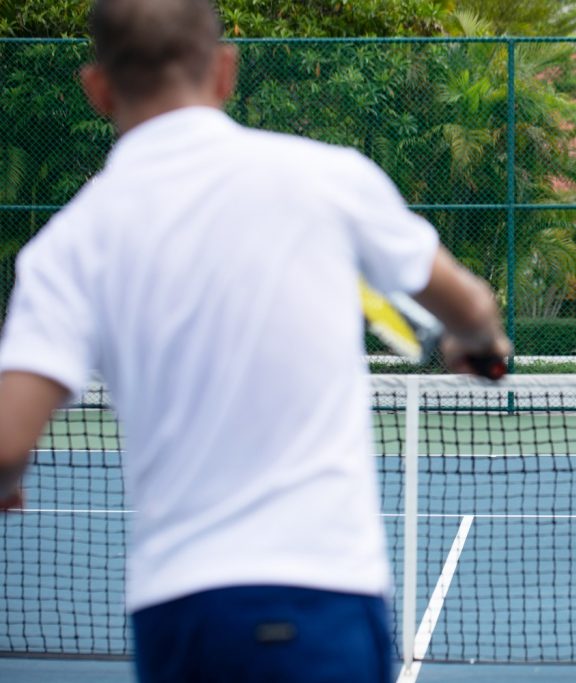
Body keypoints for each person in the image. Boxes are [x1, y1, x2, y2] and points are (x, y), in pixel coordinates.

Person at [0, 1, 510, 681]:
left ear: (97, 87)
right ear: (225, 70)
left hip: (179, 615)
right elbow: (472, 303)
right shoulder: (330, 177)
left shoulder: (70, 241)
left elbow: (8, 437)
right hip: (326, 595)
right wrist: (471, 339)